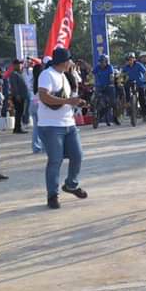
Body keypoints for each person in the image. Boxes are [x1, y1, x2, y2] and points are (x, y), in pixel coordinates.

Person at [38, 48, 88, 209]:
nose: (72, 64)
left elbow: (65, 98)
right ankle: (52, 195)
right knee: (55, 161)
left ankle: (71, 184)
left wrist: (76, 102)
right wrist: (68, 102)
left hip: (68, 123)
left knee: (78, 155)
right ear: (64, 61)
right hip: (51, 126)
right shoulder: (47, 75)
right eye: (70, 61)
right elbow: (44, 96)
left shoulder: (64, 76)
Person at [122, 51, 146, 123]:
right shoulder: (125, 67)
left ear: (134, 59)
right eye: (128, 59)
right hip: (130, 83)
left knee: (142, 99)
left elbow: (145, 73)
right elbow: (122, 75)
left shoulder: (139, 65)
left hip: (139, 83)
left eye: (131, 59)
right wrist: (120, 80)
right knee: (125, 87)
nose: (129, 61)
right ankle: (128, 102)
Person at [92, 54, 119, 126]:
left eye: (103, 61)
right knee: (94, 100)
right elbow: (92, 73)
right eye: (100, 61)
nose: (101, 63)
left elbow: (111, 76)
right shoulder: (97, 67)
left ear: (106, 62)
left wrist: (111, 81)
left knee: (113, 102)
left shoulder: (110, 67)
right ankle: (95, 115)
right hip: (99, 86)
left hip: (109, 86)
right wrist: (90, 80)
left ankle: (115, 118)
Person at [9, 59, 29, 134]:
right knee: (19, 112)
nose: (20, 65)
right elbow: (14, 85)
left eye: (21, 64)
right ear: (14, 65)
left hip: (22, 96)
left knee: (20, 112)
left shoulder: (19, 73)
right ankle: (17, 128)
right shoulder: (14, 74)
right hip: (18, 96)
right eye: (18, 64)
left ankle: (18, 127)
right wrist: (17, 95)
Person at [30, 59, 45, 153]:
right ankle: (44, 147)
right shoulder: (42, 80)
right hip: (39, 104)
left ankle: (35, 147)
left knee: (36, 128)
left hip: (33, 103)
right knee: (43, 127)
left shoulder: (33, 80)